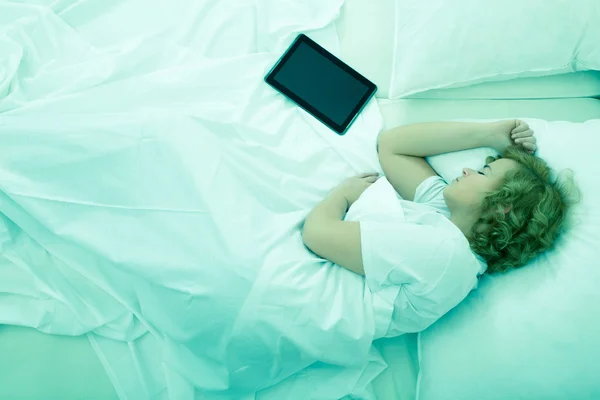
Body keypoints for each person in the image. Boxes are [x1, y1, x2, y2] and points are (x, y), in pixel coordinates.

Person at [301, 120, 580, 336]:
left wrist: (344, 194)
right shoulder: (448, 221)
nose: (467, 171)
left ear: (501, 206)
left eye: (483, 173)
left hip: (307, 304)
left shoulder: (443, 253)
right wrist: (490, 134)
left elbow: (316, 234)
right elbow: (392, 145)